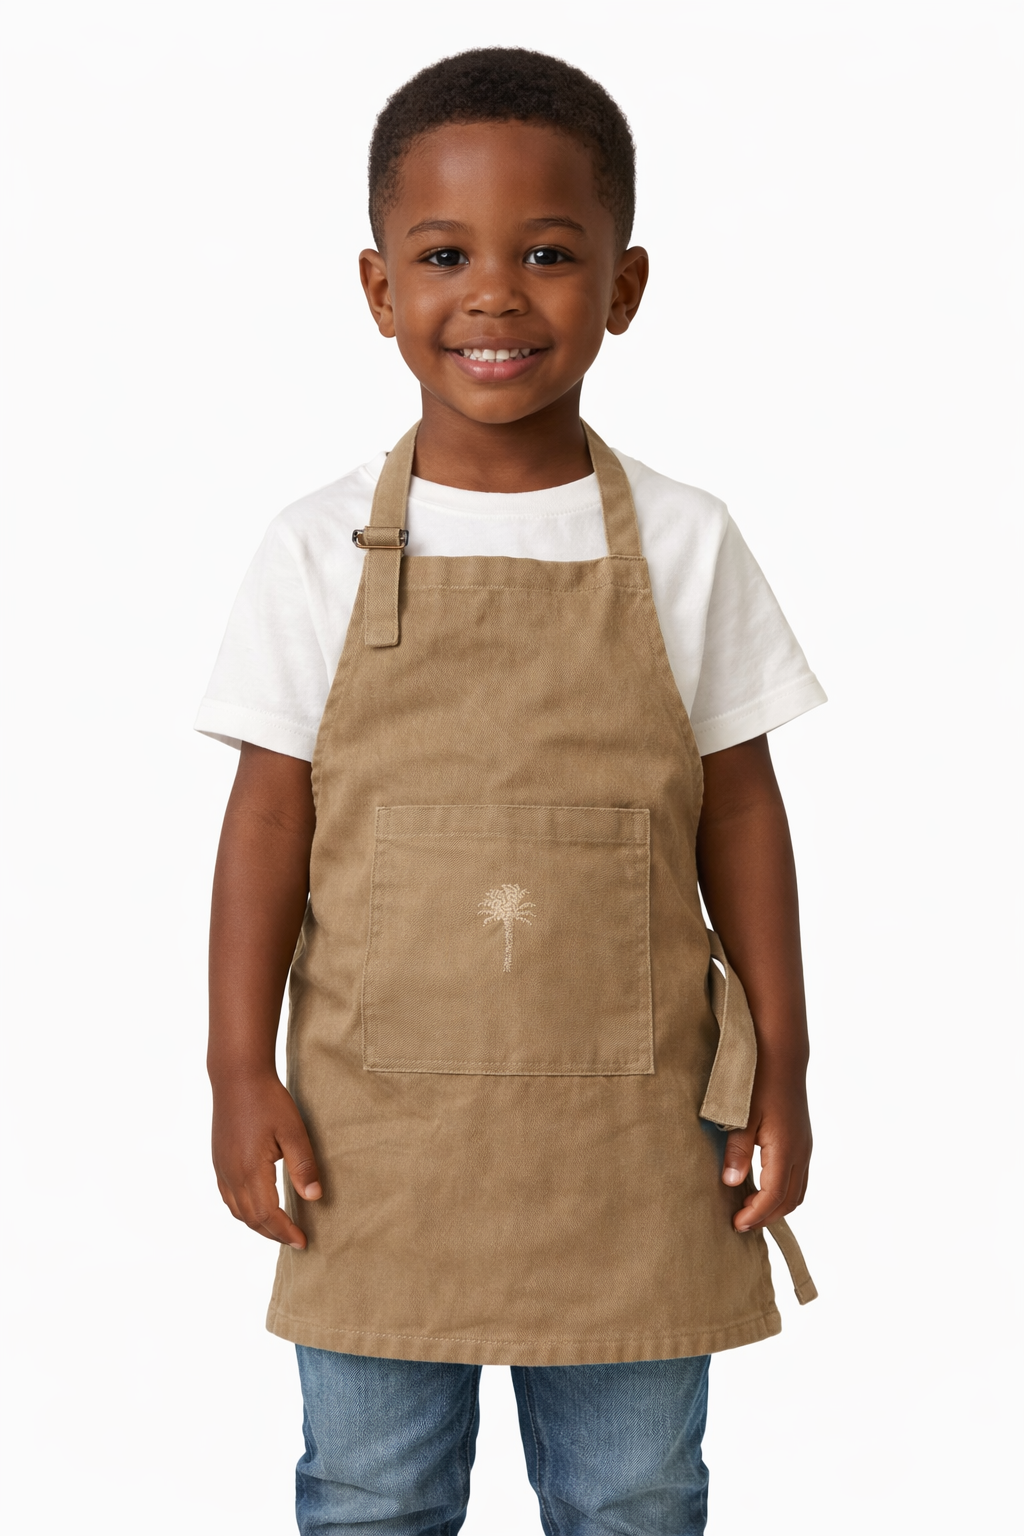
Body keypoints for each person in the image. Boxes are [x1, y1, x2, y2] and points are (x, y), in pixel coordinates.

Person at [198, 47, 825, 1536]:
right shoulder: (314, 547)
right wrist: (235, 1068)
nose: (494, 294)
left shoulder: (684, 540)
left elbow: (740, 810)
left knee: (635, 1496)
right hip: (372, 1144)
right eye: (444, 255)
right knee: (368, 1493)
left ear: (625, 285)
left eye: (550, 255)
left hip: (635, 1142)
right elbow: (267, 823)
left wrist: (785, 1063)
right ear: (376, 287)